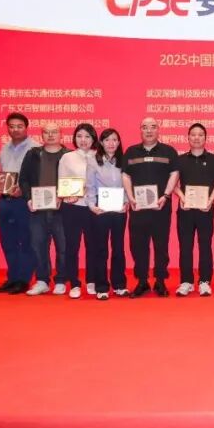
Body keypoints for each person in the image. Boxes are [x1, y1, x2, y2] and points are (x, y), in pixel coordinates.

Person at [122, 117, 180, 298]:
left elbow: (174, 174)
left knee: (161, 245)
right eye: (145, 127)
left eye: (153, 127)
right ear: (140, 130)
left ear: (158, 130)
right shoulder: (131, 152)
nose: (149, 130)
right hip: (138, 208)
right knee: (138, 246)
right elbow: (125, 176)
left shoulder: (169, 151)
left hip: (161, 207)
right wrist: (131, 197)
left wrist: (166, 195)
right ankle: (142, 281)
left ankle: (160, 281)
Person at [174, 123, 214, 296]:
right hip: (185, 210)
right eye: (193, 135)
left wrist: (210, 201)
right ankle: (186, 281)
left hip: (205, 210)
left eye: (200, 134)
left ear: (205, 138)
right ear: (188, 137)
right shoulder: (180, 160)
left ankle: (204, 281)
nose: (197, 138)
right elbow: (173, 183)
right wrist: (182, 197)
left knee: (205, 245)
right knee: (185, 246)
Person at [19, 124, 68, 296]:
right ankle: (42, 281)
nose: (50, 135)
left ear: (61, 134)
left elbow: (75, 180)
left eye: (54, 132)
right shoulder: (32, 154)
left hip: (62, 210)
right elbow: (23, 179)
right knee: (38, 245)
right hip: (37, 209)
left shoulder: (68, 155)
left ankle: (61, 280)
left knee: (63, 247)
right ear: (42, 135)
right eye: (46, 132)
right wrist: (29, 199)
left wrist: (64, 196)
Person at [0, 112, 38, 294]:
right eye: (12, 126)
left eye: (19, 126)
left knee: (26, 241)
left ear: (26, 127)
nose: (15, 130)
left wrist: (24, 191)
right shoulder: (4, 149)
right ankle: (12, 278)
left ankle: (23, 279)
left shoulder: (35, 149)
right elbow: (2, 174)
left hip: (24, 201)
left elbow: (38, 177)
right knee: (8, 241)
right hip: (5, 201)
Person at [86, 128, 129, 300]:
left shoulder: (124, 161)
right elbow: (90, 186)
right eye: (107, 140)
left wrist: (126, 202)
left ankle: (119, 285)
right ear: (101, 143)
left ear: (119, 142)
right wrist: (92, 206)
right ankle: (102, 286)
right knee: (100, 249)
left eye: (114, 140)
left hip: (119, 210)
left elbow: (128, 184)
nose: (111, 143)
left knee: (118, 248)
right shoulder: (93, 161)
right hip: (100, 209)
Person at [59, 123, 99, 299]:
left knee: (93, 246)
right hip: (72, 207)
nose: (83, 140)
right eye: (79, 136)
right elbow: (62, 181)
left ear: (93, 139)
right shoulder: (67, 157)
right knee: (72, 246)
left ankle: (91, 280)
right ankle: (74, 283)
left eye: (87, 136)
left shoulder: (100, 156)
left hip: (93, 207)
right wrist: (67, 195)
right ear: (74, 138)